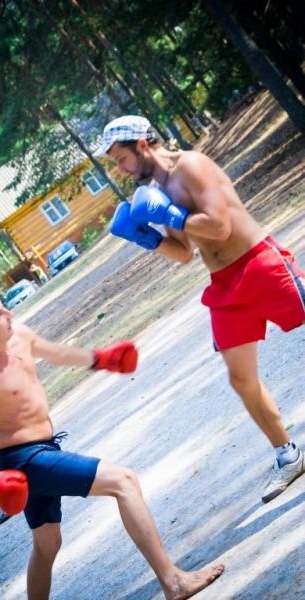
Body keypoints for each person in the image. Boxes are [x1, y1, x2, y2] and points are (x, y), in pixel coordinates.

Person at [0, 288, 224, 600]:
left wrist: (102, 359)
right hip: (25, 460)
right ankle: (173, 582)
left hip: (45, 449)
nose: (9, 314)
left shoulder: (19, 336)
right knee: (124, 481)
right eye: (0, 315)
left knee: (48, 544)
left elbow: (56, 353)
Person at [94, 115, 305, 504]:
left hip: (260, 263)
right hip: (223, 285)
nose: (121, 170)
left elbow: (220, 226)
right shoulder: (156, 189)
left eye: (121, 159)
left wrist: (169, 214)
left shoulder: (191, 165)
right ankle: (289, 455)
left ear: (142, 145)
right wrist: (145, 238)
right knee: (241, 379)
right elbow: (183, 253)